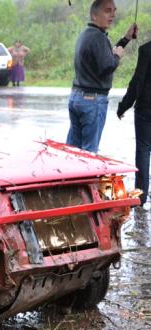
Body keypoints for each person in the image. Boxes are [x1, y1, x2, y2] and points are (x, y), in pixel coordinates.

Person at [66, 0, 137, 153]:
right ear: (94, 15)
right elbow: (107, 66)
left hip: (77, 97)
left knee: (72, 151)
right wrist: (117, 57)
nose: (112, 15)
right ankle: (87, 177)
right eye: (107, 11)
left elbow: (103, 56)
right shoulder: (97, 37)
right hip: (92, 100)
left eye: (114, 11)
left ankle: (71, 177)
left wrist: (125, 39)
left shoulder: (88, 33)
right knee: (89, 152)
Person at [118, 41, 151, 207]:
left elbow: (138, 81)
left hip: (146, 108)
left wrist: (124, 105)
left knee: (143, 151)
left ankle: (141, 196)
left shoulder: (146, 50)